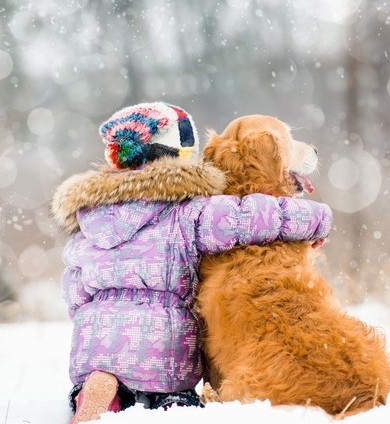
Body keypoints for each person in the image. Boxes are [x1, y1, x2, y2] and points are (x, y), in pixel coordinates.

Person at [51, 102, 333, 424]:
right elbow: (248, 218)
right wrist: (317, 219)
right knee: (176, 396)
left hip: (95, 341)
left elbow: (74, 290)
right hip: (164, 345)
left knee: (101, 370)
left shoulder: (89, 220)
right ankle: (174, 405)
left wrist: (95, 319)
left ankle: (102, 389)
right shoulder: (187, 211)